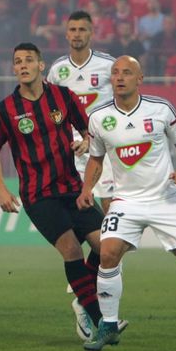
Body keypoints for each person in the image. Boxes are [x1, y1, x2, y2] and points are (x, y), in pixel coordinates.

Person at [79, 55, 176, 351]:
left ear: (139, 79)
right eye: (115, 73)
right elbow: (96, 156)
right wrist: (87, 188)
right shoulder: (98, 118)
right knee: (107, 254)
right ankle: (108, 326)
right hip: (126, 202)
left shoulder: (161, 109)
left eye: (127, 73)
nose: (119, 78)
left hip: (165, 200)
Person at [0, 42, 110, 344]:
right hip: (37, 195)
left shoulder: (62, 97)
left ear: (42, 66)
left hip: (72, 188)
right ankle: (101, 322)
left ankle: (83, 300)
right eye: (18, 62)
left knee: (107, 249)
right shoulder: (5, 110)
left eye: (29, 60)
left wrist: (84, 141)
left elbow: (88, 130)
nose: (23, 65)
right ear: (14, 69)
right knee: (71, 250)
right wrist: (1, 190)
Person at [46, 11, 117, 212]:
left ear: (91, 33)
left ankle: (111, 242)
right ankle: (96, 243)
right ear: (67, 34)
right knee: (78, 203)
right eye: (73, 30)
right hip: (72, 145)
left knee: (108, 201)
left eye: (82, 30)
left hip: (103, 142)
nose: (77, 34)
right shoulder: (58, 69)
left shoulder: (108, 65)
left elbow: (123, 99)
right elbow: (49, 106)